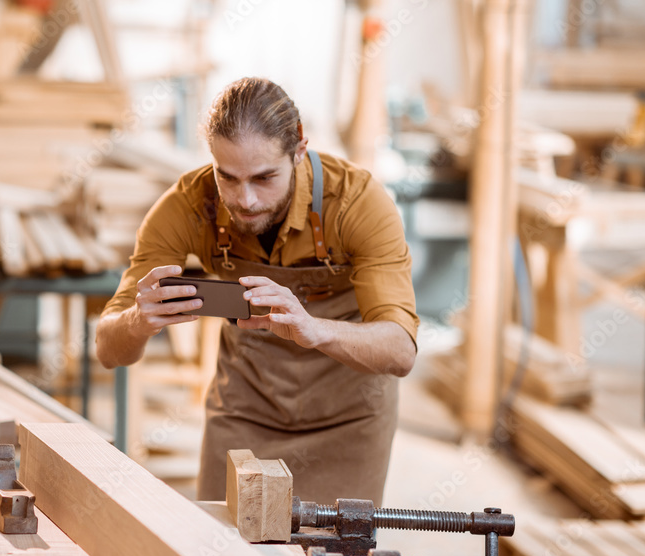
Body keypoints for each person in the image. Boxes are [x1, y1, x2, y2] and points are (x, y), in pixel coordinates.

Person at [95, 77, 417, 506]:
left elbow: (400, 351)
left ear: (300, 150)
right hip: (244, 413)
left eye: (265, 178)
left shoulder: (357, 203)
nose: (245, 199)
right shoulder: (188, 205)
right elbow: (107, 349)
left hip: (349, 418)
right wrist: (137, 321)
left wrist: (313, 329)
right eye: (227, 177)